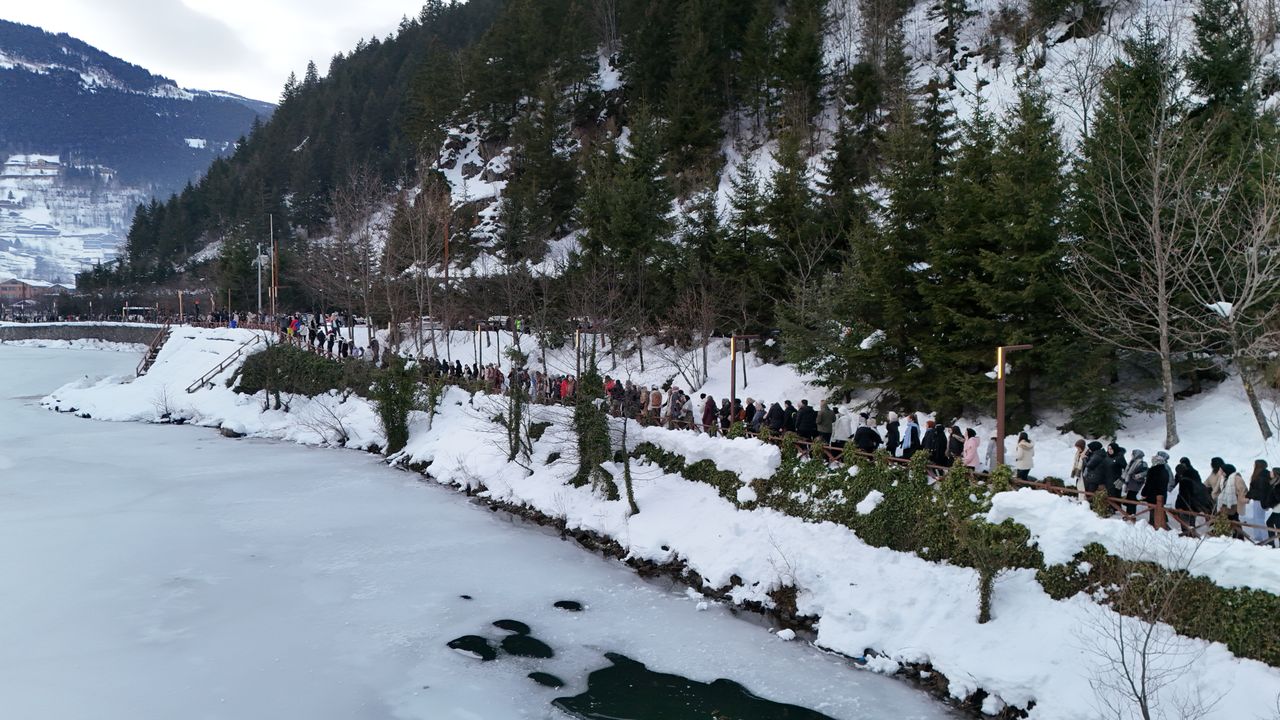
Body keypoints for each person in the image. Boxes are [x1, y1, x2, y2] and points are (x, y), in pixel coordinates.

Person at [1142, 451, 1171, 526]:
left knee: (1152, 509)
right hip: (1162, 494)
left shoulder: (1153, 470)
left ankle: (1153, 523)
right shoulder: (1165, 471)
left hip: (1153, 494)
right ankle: (1163, 521)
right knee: (1160, 508)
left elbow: (1149, 483)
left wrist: (1144, 493)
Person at [1245, 460, 1272, 542]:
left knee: (1259, 519)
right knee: (1256, 519)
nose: (1253, 465)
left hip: (1260, 500)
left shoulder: (1262, 476)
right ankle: (1258, 537)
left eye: (1255, 464)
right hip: (1258, 500)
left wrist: (1249, 495)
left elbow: (1260, 491)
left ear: (1258, 466)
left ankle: (1265, 538)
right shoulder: (1261, 474)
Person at [1120, 449, 1149, 518]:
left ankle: (1131, 514)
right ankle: (1129, 513)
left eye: (1133, 454)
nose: (1131, 455)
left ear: (1137, 455)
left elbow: (1145, 472)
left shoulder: (1142, 463)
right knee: (1130, 497)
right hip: (1131, 482)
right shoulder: (1132, 462)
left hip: (1136, 483)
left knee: (1131, 498)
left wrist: (1137, 476)